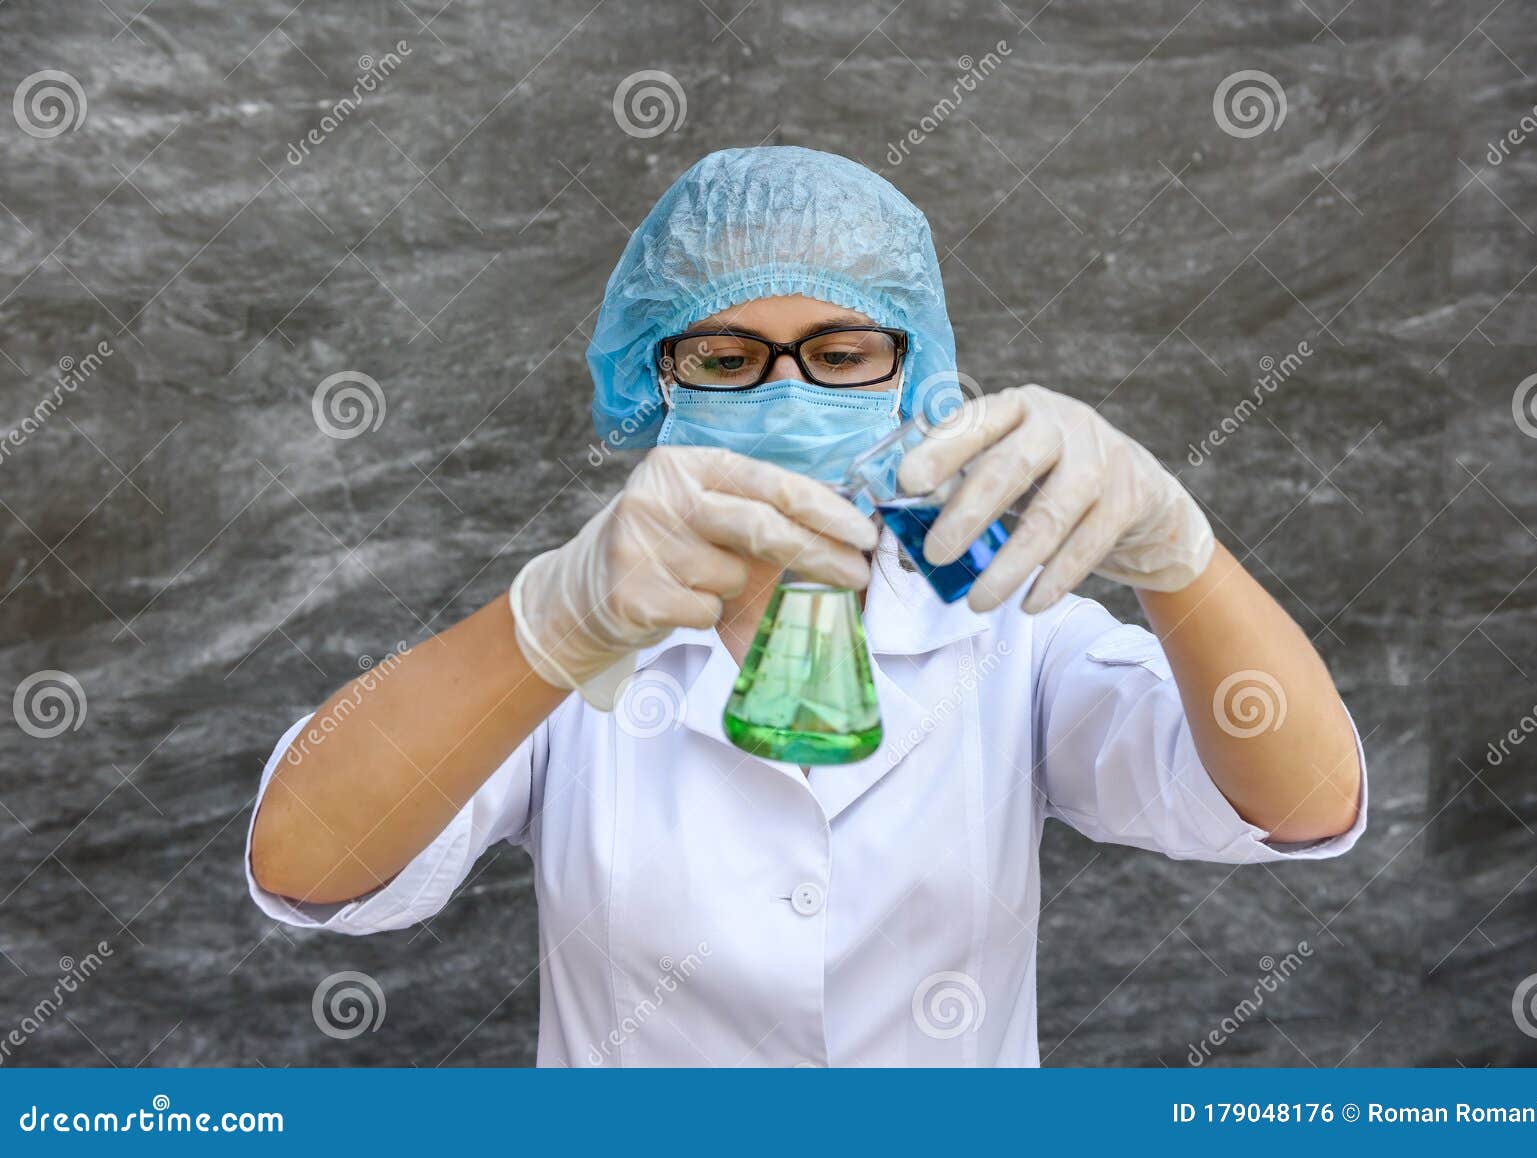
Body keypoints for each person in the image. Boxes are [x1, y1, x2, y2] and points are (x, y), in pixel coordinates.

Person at [246, 146, 1365, 1066]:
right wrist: (545, 629)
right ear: (656, 376)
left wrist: (1178, 555)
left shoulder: (1007, 628)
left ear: (911, 371)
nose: (787, 388)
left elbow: (1306, 800)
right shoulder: (582, 635)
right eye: (727, 356)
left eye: (840, 353)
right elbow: (304, 863)